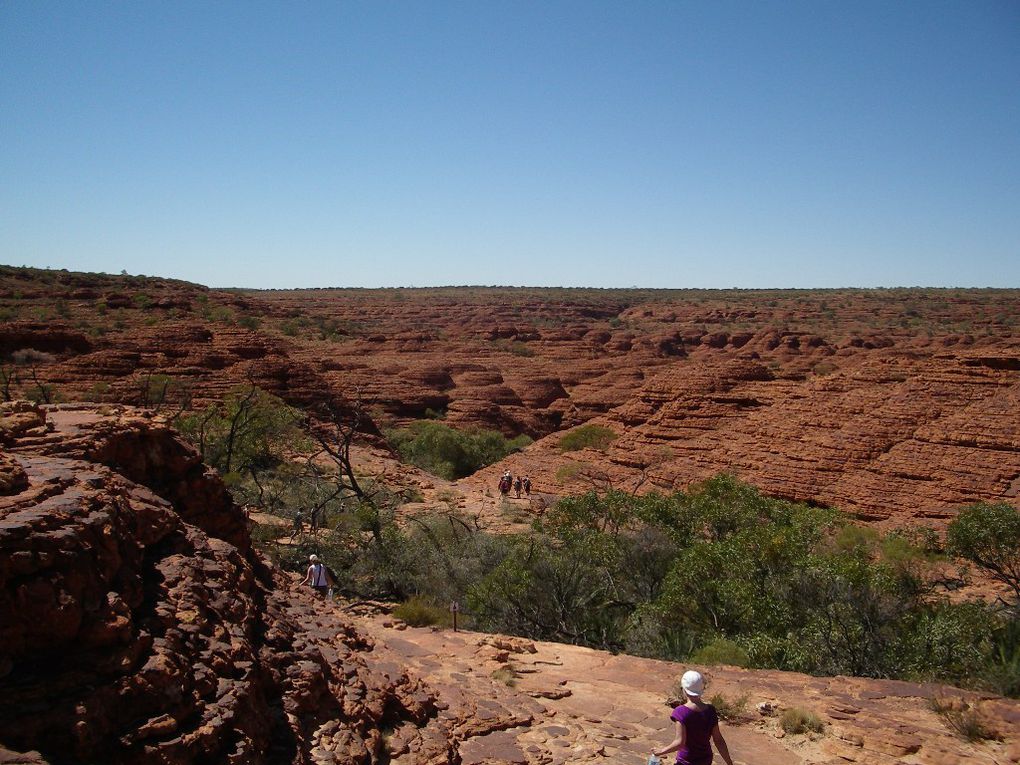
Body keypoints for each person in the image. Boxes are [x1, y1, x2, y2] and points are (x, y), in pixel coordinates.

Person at [651, 670, 734, 765]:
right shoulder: (710, 711)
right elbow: (718, 740)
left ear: (684, 689)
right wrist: (729, 762)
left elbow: (680, 742)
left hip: (686, 762)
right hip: (705, 761)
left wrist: (661, 751)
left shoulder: (680, 712)